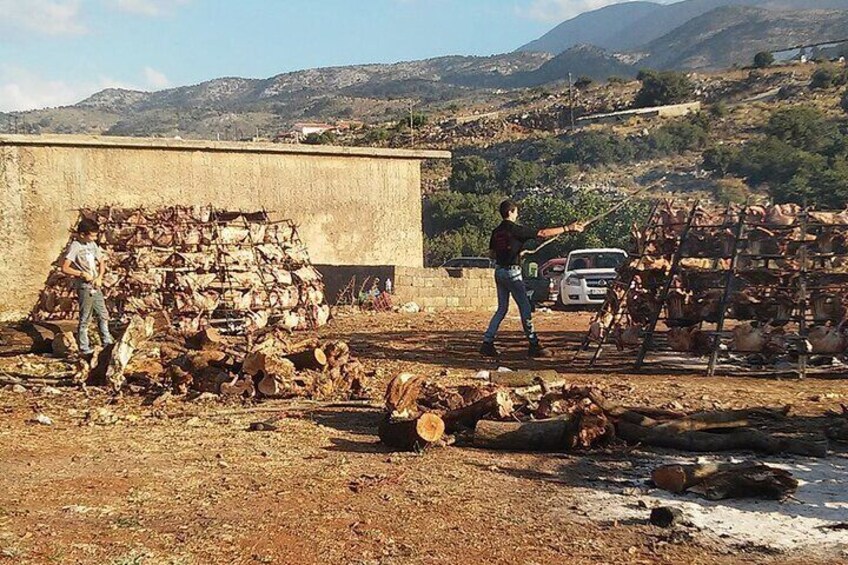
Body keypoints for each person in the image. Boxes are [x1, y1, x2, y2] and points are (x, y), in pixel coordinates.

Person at [481, 199, 585, 358]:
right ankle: (533, 344)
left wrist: (515, 252)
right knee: (525, 308)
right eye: (516, 211)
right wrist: (567, 228)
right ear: (510, 212)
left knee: (502, 309)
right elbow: (542, 233)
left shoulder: (496, 231)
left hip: (499, 271)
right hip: (512, 273)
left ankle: (487, 342)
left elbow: (492, 254)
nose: (517, 214)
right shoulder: (515, 230)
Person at [61, 219, 114, 355]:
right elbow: (65, 268)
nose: (94, 238)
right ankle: (84, 348)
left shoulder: (92, 244)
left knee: (103, 314)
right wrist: (81, 274)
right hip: (85, 286)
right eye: (92, 235)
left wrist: (100, 276)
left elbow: (101, 260)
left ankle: (107, 342)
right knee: (85, 317)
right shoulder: (75, 246)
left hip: (95, 285)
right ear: (82, 234)